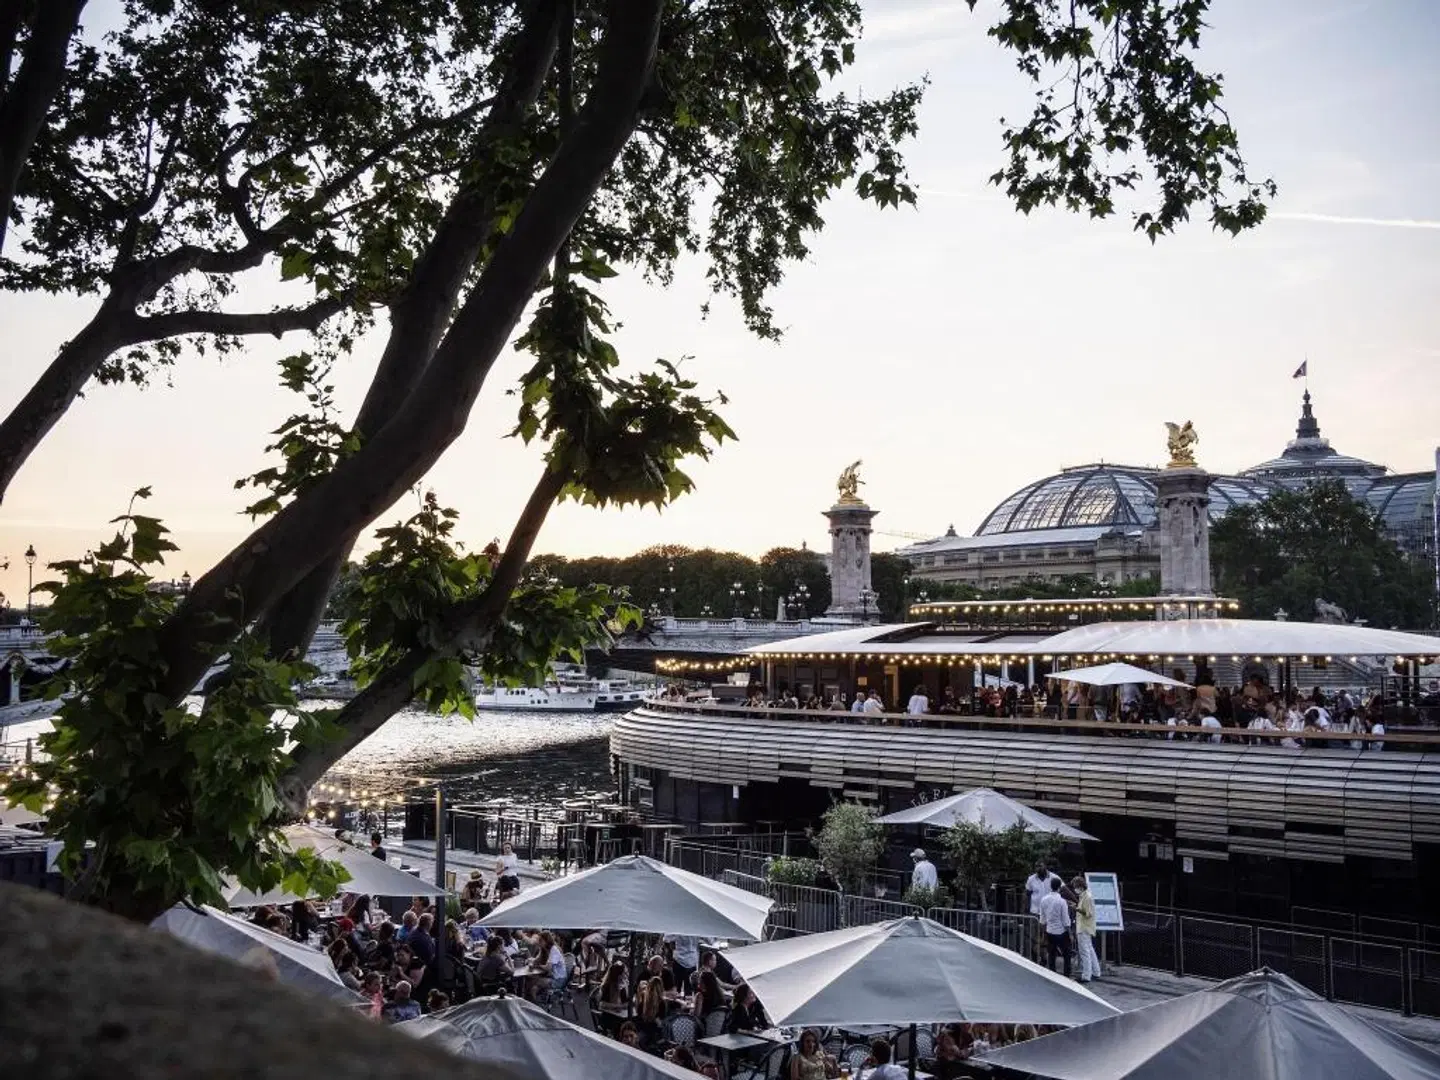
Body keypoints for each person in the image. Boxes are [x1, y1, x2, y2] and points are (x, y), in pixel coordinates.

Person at [1039, 877, 1072, 977]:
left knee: (1051, 954)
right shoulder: (1062, 901)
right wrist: (1070, 933)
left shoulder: (1044, 900)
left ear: (1050, 886)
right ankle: (1066, 974)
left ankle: (1053, 974)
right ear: (1059, 888)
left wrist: (1043, 933)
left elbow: (1042, 919)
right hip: (1061, 931)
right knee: (1066, 954)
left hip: (1049, 930)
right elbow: (1066, 920)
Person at [1071, 875, 1100, 983]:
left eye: (1075, 886)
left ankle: (1086, 975)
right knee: (1090, 950)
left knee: (1084, 951)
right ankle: (1096, 972)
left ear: (1080, 886)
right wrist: (1077, 907)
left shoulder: (1087, 897)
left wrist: (1076, 908)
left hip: (1084, 927)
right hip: (1086, 927)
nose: (1075, 889)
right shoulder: (1085, 896)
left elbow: (1087, 914)